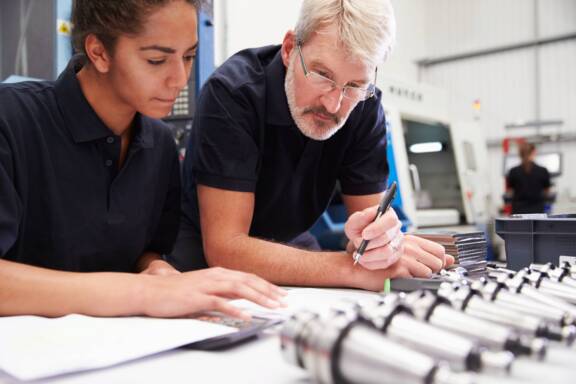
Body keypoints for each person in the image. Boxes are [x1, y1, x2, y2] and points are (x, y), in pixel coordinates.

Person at [0, 0, 285, 319]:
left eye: (188, 56)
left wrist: (158, 270)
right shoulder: (11, 121)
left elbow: (145, 251)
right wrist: (143, 293)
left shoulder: (159, 143)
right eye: (156, 60)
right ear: (99, 52)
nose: (179, 78)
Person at [170, 0, 454, 291]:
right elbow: (226, 248)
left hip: (290, 242)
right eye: (322, 75)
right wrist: (350, 270)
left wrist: (384, 245)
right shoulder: (233, 94)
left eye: (355, 85)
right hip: (204, 253)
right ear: (290, 48)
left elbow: (370, 234)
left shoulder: (365, 106)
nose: (334, 104)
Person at [506, 142, 552, 214]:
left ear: (520, 154)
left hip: (518, 212)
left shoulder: (513, 171)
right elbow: (547, 192)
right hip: (537, 212)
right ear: (534, 152)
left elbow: (510, 192)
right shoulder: (543, 171)